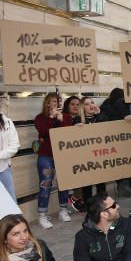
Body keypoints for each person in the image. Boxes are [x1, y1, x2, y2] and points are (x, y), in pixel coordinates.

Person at [99, 88, 131, 206]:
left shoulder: (106, 107)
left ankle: (105, 202)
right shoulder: (119, 105)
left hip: (116, 146)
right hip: (124, 145)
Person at [33, 92, 74, 229]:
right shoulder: (40, 118)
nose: (57, 104)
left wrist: (62, 120)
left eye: (59, 101)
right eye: (54, 101)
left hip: (62, 155)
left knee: (64, 184)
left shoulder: (66, 117)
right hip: (46, 156)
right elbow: (45, 132)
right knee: (46, 184)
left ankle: (63, 209)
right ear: (47, 103)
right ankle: (42, 215)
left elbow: (67, 135)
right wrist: (51, 118)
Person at [71, 96, 108, 208]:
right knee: (87, 185)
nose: (91, 105)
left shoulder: (101, 117)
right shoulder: (77, 120)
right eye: (87, 104)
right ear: (82, 107)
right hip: (85, 158)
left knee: (101, 183)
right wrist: (74, 129)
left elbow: (107, 130)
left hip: (99, 155)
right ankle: (89, 209)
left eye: (92, 103)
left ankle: (103, 205)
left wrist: (99, 115)